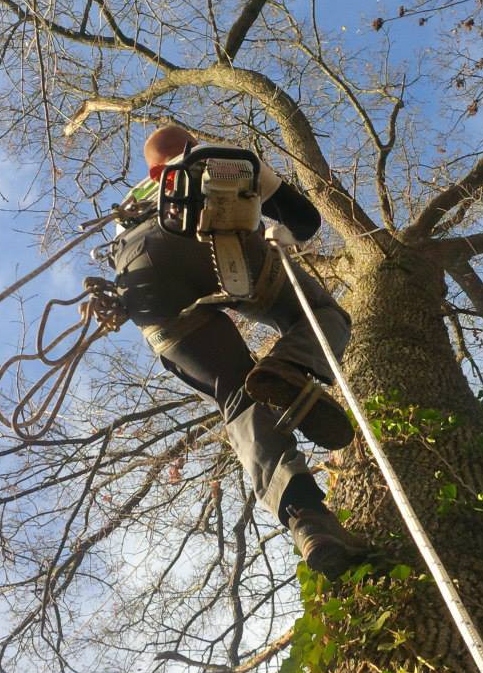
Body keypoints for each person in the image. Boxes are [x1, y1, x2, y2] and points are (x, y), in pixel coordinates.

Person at [112, 125, 370, 578]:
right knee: (323, 314)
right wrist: (284, 230)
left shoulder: (132, 205)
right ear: (190, 144)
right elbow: (305, 219)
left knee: (236, 396)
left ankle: (308, 521)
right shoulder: (218, 157)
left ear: (152, 168)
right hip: (220, 244)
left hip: (142, 279)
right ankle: (289, 367)